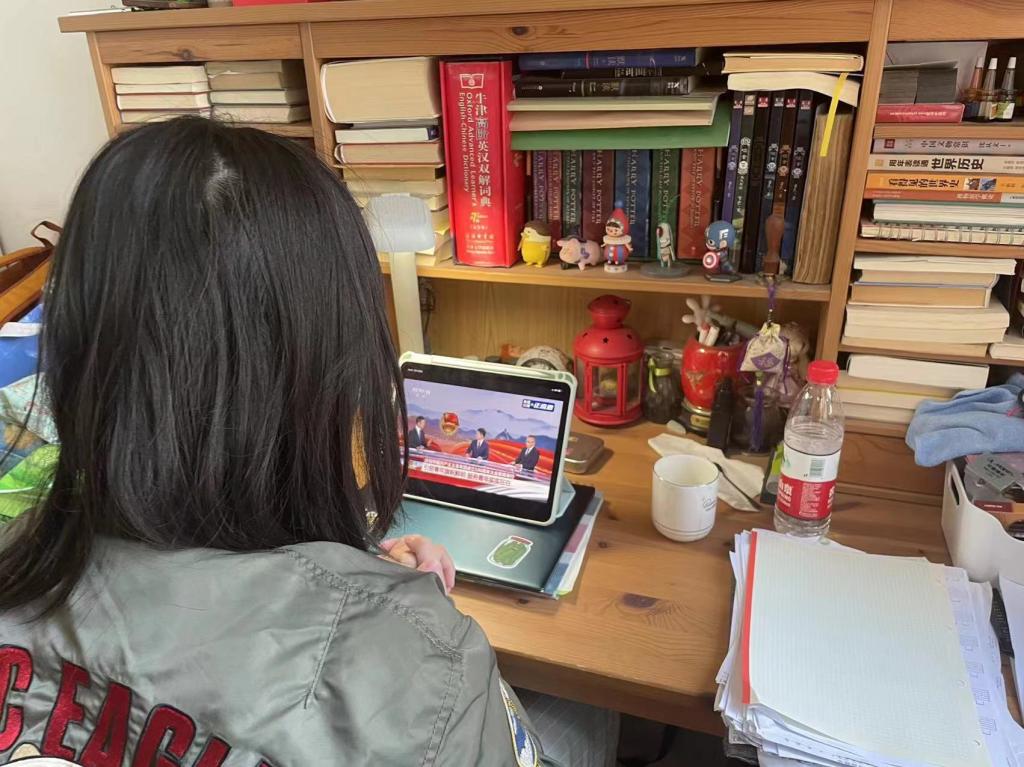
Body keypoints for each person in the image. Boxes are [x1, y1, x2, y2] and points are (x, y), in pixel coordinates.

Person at [0, 119, 617, 767]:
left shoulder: (21, 554)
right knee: (590, 709)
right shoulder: (432, 662)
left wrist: (359, 575)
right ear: (331, 364)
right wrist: (391, 620)